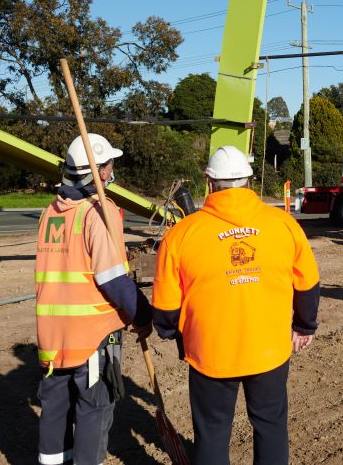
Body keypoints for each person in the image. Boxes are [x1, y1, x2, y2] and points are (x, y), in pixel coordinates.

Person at [153, 145, 320, 465]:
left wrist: (173, 334)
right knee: (270, 425)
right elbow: (308, 283)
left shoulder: (181, 234)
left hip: (210, 353)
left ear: (209, 182)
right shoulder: (283, 224)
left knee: (213, 431)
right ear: (248, 180)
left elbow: (165, 308)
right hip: (269, 349)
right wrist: (303, 325)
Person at [35, 134, 152, 465]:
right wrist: (142, 316)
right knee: (97, 408)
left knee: (56, 409)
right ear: (100, 172)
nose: (114, 170)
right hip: (98, 335)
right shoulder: (99, 213)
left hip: (52, 336)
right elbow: (113, 278)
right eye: (110, 164)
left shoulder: (50, 213)